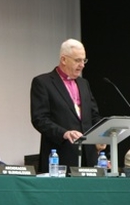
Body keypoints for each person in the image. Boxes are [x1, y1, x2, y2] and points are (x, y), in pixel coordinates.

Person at [30, 38, 102, 173]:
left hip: (88, 157)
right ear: (63, 59)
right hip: (60, 156)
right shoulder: (43, 82)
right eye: (77, 60)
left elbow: (94, 115)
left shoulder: (84, 83)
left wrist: (101, 134)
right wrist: (64, 133)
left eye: (84, 60)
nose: (82, 65)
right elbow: (39, 119)